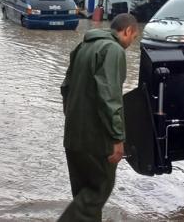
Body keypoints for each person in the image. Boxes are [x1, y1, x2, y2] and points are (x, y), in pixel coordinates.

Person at [59, 13, 139, 221]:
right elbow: (110, 97)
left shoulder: (83, 47)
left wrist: (74, 119)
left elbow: (65, 87)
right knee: (96, 192)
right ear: (127, 31)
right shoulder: (113, 50)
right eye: (134, 37)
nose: (132, 42)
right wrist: (117, 137)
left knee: (83, 196)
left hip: (73, 137)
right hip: (95, 140)